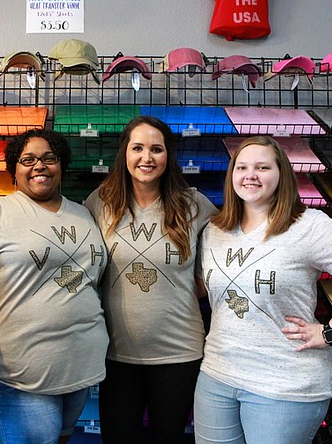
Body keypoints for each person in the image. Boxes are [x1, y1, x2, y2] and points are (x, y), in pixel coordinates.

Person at [193, 136, 332, 444]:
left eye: (262, 167)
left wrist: (331, 332)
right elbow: (205, 289)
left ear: (281, 174)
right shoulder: (215, 230)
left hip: (285, 385)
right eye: (242, 167)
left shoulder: (309, 226)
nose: (250, 175)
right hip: (217, 376)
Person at [0, 129, 109, 444]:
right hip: (22, 376)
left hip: (81, 369)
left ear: (61, 166)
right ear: (14, 170)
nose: (39, 166)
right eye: (28, 160)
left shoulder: (83, 214)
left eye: (49, 158)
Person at [84, 116, 217, 443]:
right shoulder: (99, 203)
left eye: (156, 149)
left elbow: (220, 265)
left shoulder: (194, 206)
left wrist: (187, 288)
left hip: (180, 353)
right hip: (116, 353)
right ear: (124, 154)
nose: (147, 158)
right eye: (138, 148)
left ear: (167, 156)